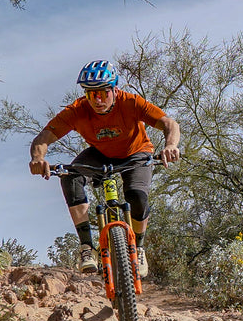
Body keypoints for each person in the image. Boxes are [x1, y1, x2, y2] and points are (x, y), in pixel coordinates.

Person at [28, 60, 180, 277]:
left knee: (136, 195)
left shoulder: (131, 103)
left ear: (114, 89)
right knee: (69, 175)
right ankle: (86, 248)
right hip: (101, 154)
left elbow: (169, 124)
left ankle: (139, 247)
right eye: (91, 94)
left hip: (136, 152)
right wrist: (37, 158)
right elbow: (43, 137)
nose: (97, 100)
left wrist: (171, 146)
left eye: (102, 93)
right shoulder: (77, 111)